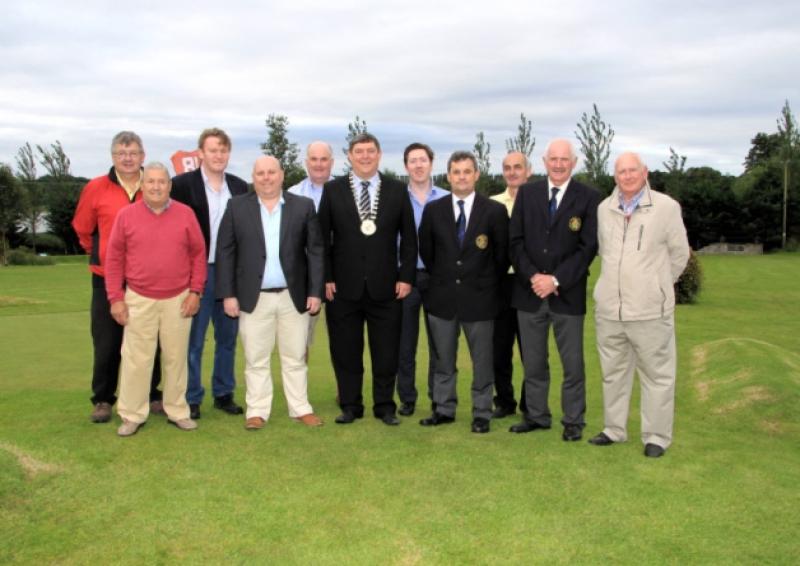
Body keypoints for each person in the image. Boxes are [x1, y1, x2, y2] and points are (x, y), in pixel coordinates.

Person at [588, 152, 690, 458]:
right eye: (622, 171)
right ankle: (613, 429)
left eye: (633, 170)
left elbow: (680, 254)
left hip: (649, 312)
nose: (628, 176)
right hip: (610, 311)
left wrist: (656, 287)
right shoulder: (604, 209)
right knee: (613, 373)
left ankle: (656, 437)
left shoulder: (666, 207)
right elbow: (604, 253)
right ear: (615, 176)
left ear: (645, 173)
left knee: (657, 375)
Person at [216, 156, 324, 430]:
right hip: (253, 297)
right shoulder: (236, 206)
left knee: (295, 357)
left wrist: (315, 291)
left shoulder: (303, 206)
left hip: (293, 296)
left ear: (281, 175)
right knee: (256, 359)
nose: (266, 178)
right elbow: (226, 252)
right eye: (260, 173)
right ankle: (257, 411)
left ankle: (300, 408)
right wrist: (228, 294)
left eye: (271, 172)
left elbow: (315, 251)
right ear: (253, 177)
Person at [317, 133, 416, 426]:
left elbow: (409, 239)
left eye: (370, 151)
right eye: (359, 151)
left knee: (386, 353)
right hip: (342, 287)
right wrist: (326, 277)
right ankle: (351, 405)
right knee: (346, 351)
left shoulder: (397, 190)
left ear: (379, 154)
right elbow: (321, 239)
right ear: (350, 155)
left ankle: (384, 406)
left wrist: (406, 277)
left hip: (386, 287)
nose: (365, 156)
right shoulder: (333, 190)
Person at [104, 162, 207, 437]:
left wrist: (195, 291)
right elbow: (113, 259)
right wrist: (116, 298)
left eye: (162, 181)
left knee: (176, 359)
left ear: (169, 185)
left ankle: (178, 411)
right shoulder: (126, 216)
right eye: (150, 181)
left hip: (179, 298)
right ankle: (132, 415)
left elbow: (198, 254)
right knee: (137, 360)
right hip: (138, 298)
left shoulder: (185, 214)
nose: (156, 186)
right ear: (142, 184)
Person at [508, 139, 599, 441]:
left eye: (564, 159)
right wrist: (534, 276)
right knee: (533, 363)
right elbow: (515, 242)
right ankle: (536, 415)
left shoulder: (589, 198)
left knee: (572, 364)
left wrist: (555, 280)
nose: (559, 164)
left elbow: (588, 248)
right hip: (530, 293)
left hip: (567, 295)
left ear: (574, 163)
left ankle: (573, 420)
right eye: (554, 159)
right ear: (544, 161)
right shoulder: (527, 193)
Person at [72, 131, 163, 424]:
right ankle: (103, 398)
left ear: (142, 156)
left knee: (149, 339)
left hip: (147, 277)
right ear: (113, 156)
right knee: (107, 341)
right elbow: (83, 229)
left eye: (133, 153)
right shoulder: (96, 188)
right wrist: (102, 254)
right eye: (121, 153)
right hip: (106, 277)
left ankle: (152, 394)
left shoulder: (154, 185)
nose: (127, 159)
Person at [417, 151, 509, 433]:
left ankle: (481, 412)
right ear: (448, 176)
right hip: (442, 299)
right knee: (443, 360)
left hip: (480, 300)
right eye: (456, 172)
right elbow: (427, 252)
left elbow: (502, 257)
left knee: (482, 362)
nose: (461, 177)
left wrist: (482, 283)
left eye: (467, 171)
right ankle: (444, 408)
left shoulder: (494, 211)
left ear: (476, 175)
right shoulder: (433, 210)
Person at [171, 128, 248, 419]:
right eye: (213, 150)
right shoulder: (181, 186)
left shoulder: (239, 187)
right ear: (201, 153)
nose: (218, 155)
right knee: (194, 340)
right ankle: (191, 397)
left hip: (230, 274)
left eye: (223, 150)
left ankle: (223, 393)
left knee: (227, 339)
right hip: (196, 273)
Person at [396, 142, 449, 417]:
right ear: (406, 166)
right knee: (404, 344)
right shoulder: (396, 198)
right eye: (413, 161)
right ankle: (407, 398)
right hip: (404, 279)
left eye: (423, 160)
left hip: (437, 279)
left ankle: (438, 397)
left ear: (431, 163)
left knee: (439, 344)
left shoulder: (447, 198)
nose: (418, 165)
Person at [490, 151, 531, 418]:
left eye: (518, 167)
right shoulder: (492, 203)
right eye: (507, 167)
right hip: (500, 283)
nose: (512, 172)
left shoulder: (539, 201)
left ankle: (530, 404)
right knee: (500, 348)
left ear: (528, 170)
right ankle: (504, 401)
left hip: (529, 283)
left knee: (531, 350)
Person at [288, 141, 335, 359]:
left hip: (340, 276)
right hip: (304, 278)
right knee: (300, 341)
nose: (319, 164)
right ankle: (299, 382)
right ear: (306, 162)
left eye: (323, 159)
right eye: (314, 159)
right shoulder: (293, 194)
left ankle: (344, 383)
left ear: (331, 162)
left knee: (344, 339)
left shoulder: (345, 191)